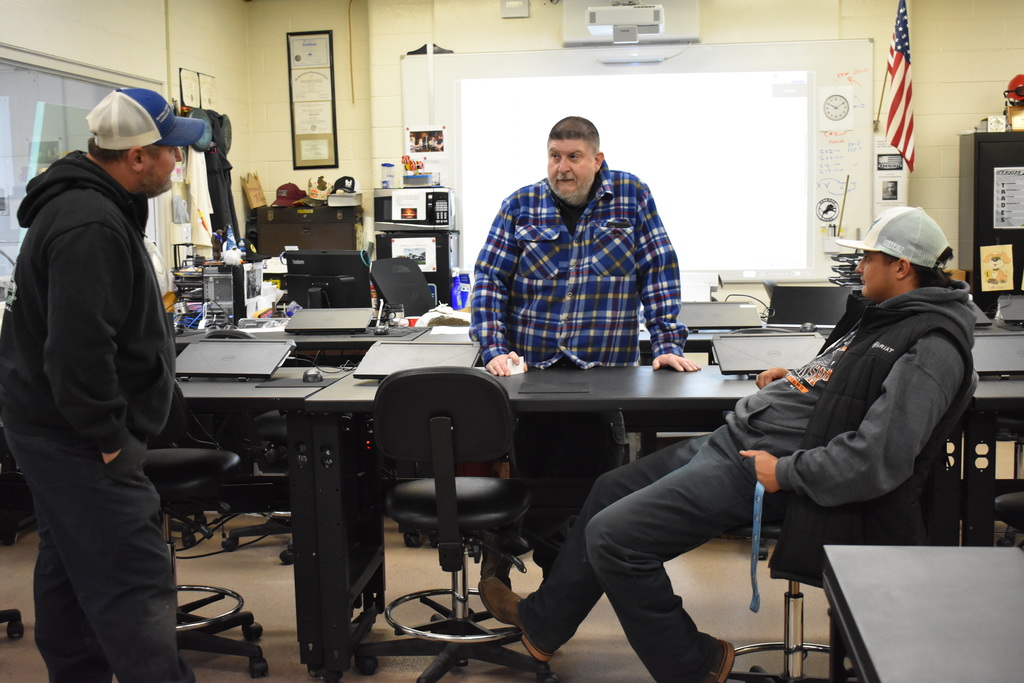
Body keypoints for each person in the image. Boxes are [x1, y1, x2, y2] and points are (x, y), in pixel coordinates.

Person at [479, 206, 976, 683]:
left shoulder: (932, 346)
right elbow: (849, 384)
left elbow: (879, 457)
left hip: (767, 467)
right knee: (608, 488)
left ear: (902, 267)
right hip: (738, 439)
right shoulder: (885, 315)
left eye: (868, 257)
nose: (859, 267)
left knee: (614, 539)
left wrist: (783, 473)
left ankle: (695, 666)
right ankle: (544, 625)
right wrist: (797, 379)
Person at [0, 88, 205, 683]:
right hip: (78, 435)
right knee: (133, 577)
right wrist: (110, 438)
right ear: (136, 156)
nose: (178, 161)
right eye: (170, 150)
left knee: (69, 564)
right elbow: (77, 350)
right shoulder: (89, 223)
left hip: (50, 424)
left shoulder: (91, 205)